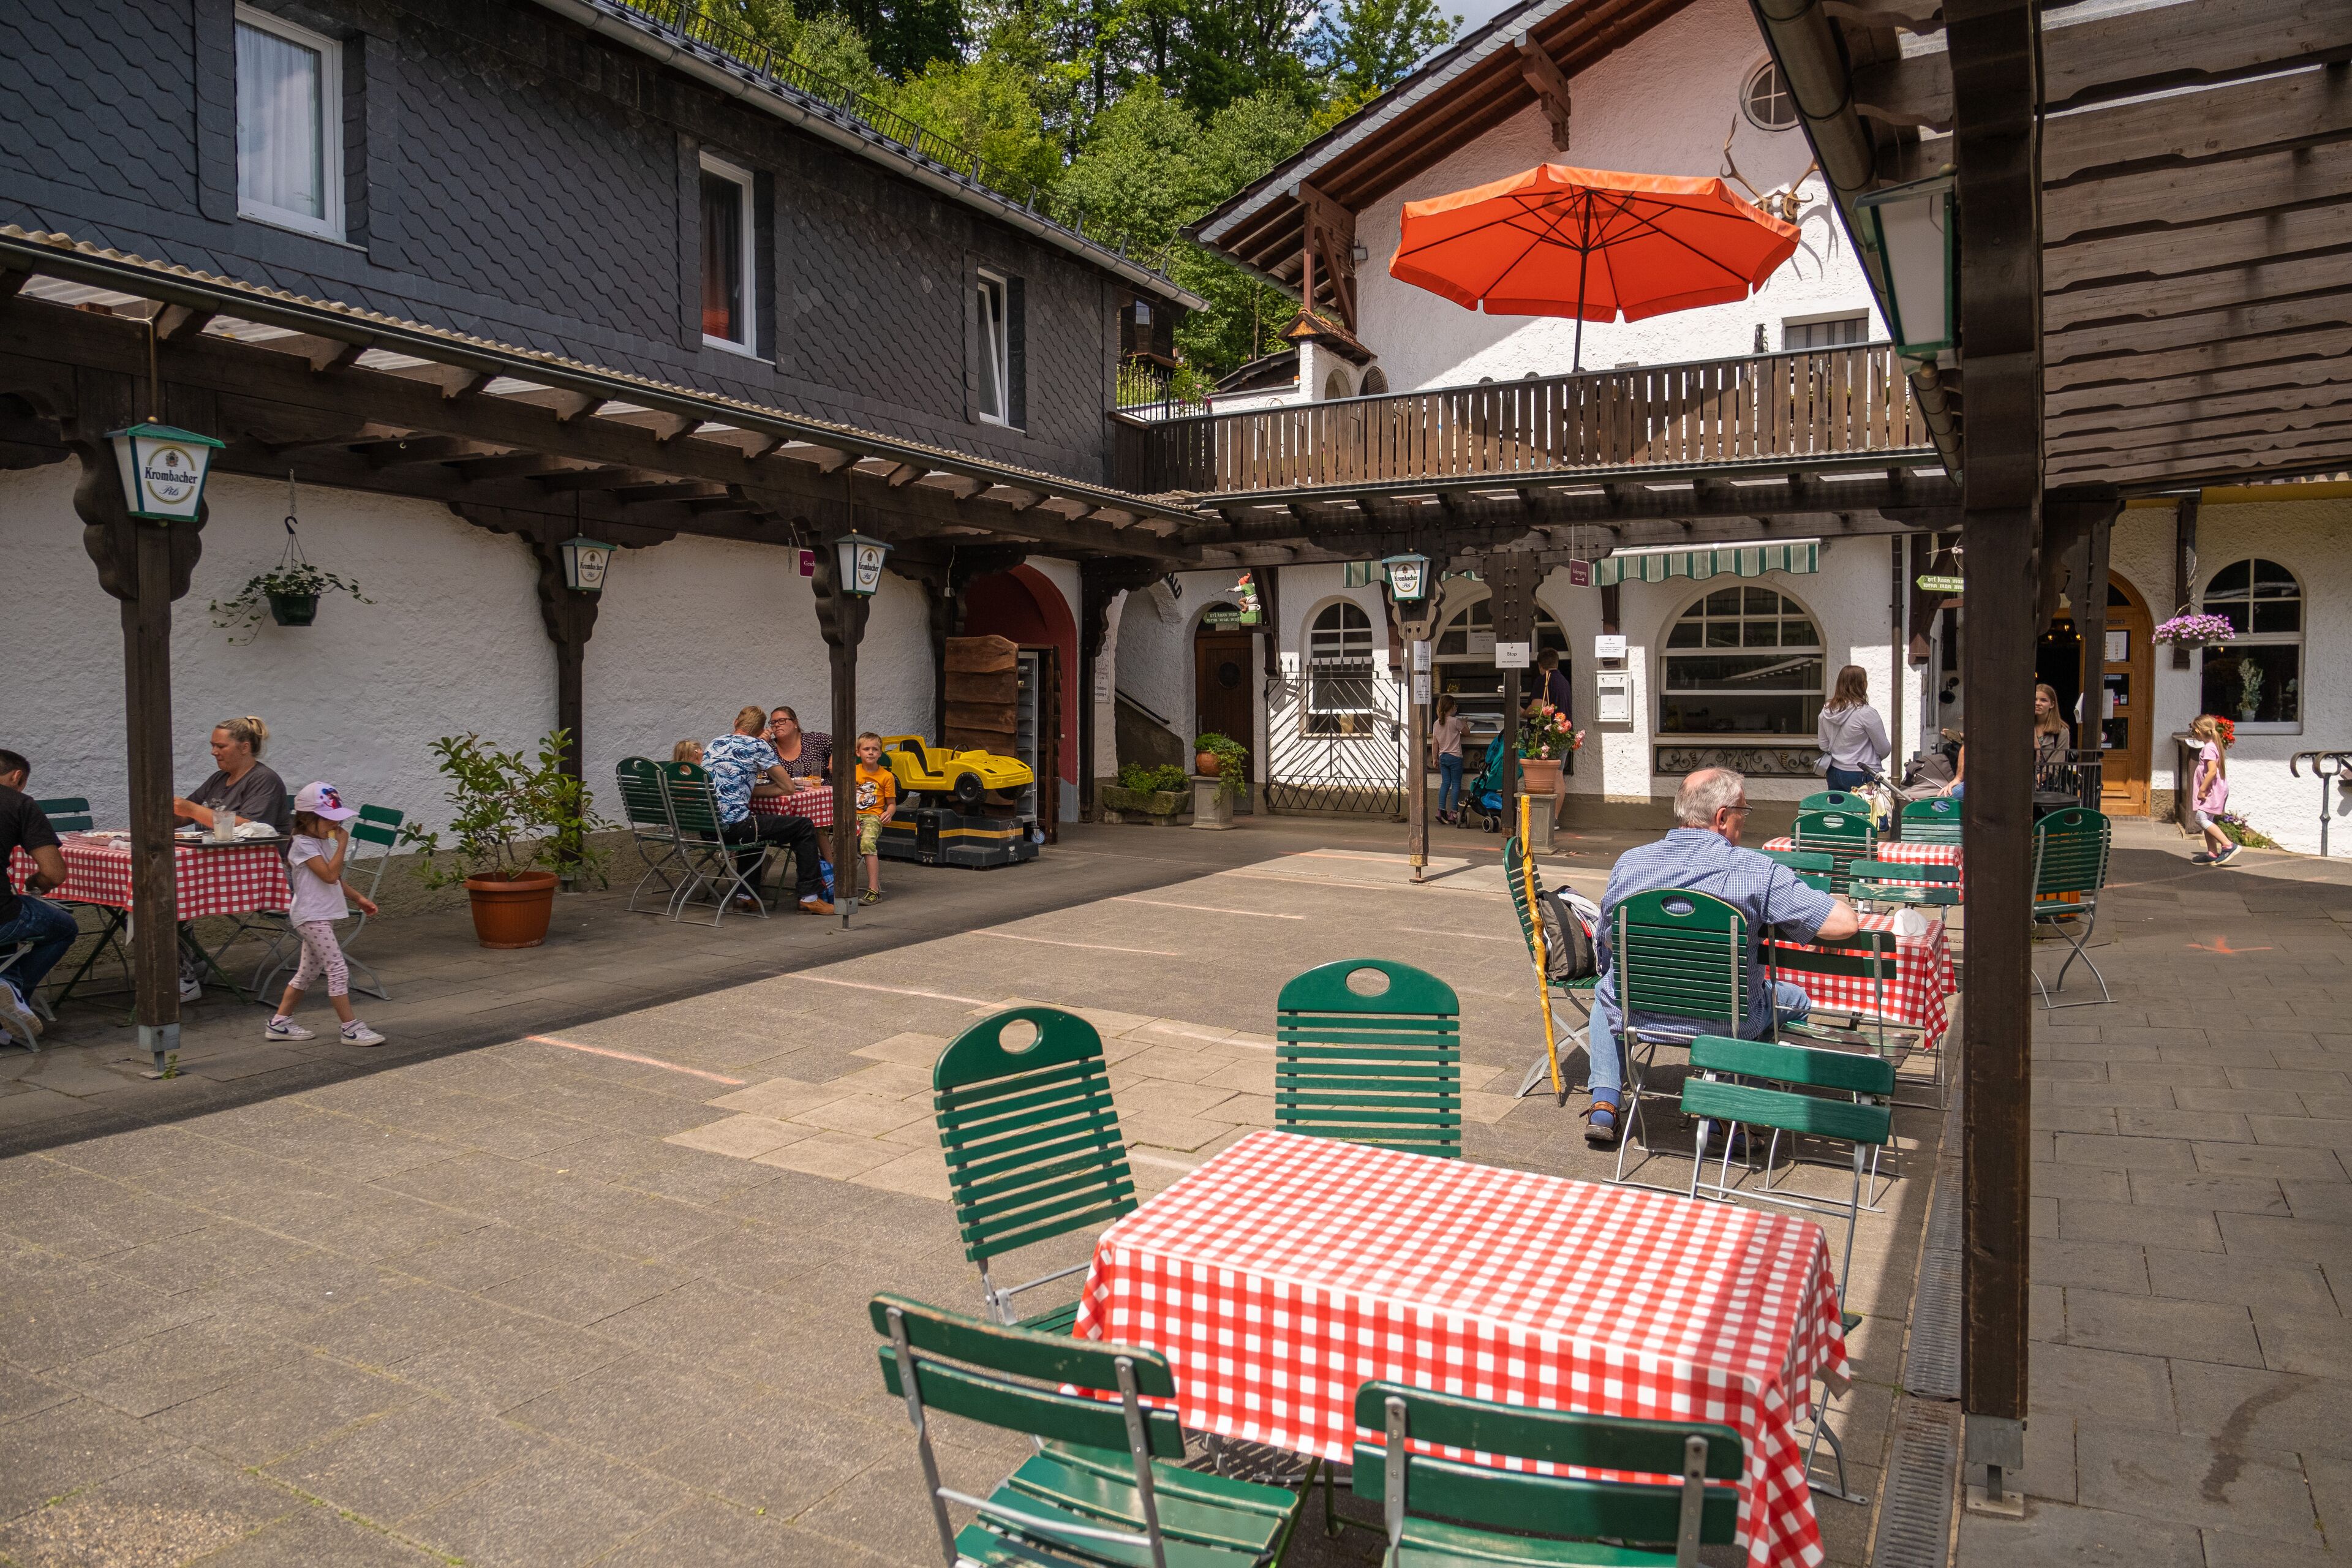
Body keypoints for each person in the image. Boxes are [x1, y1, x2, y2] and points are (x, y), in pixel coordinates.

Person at [1582, 767, 1860, 1148]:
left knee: (1607, 990)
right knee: (1794, 999)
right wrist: (1842, 902)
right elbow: (1842, 926)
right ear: (1722, 817)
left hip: (1642, 1011)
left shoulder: (1630, 863)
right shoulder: (1757, 872)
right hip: (1727, 1018)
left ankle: (1605, 1103)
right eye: (1743, 812)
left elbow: (1606, 940)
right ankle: (1724, 1113)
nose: (1744, 821)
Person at [168, 716, 292, 1000]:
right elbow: (182, 815)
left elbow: (253, 828)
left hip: (264, 876)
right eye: (212, 746)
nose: (214, 752)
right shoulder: (218, 779)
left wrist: (193, 810)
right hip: (217, 869)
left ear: (245, 747)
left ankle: (183, 977)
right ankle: (191, 962)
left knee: (163, 897)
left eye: (220, 746)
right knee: (156, 893)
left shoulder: (265, 780)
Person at [263, 783, 385, 1046]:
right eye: (330, 819)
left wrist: (359, 898)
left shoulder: (318, 841)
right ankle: (350, 1028)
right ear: (308, 818)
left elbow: (334, 878)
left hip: (319, 914)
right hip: (311, 916)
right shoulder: (302, 845)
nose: (335, 824)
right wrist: (343, 845)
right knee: (338, 969)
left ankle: (280, 1023)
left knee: (307, 973)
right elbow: (329, 875)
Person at [705, 706, 833, 915]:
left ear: (736, 722)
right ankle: (809, 897)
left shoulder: (715, 743)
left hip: (709, 827)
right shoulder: (758, 745)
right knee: (804, 826)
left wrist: (745, 789)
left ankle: (746, 896)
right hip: (736, 828)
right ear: (760, 731)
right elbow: (788, 787)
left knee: (754, 825)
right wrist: (753, 791)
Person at [0, 750, 73, 1046]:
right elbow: (54, 874)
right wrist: (35, 884)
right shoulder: (18, 803)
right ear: (17, 777)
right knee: (63, 926)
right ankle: (12, 990)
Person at [1816, 665, 1891, 793]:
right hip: (1862, 772)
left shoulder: (1826, 711)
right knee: (1869, 812)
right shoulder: (1866, 713)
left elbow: (1824, 746)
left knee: (1839, 812)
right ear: (1863, 685)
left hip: (1834, 771)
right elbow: (1884, 749)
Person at [1522, 649, 1574, 815]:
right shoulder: (1565, 682)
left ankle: (1540, 817)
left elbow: (1537, 708)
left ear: (1540, 665)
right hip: (1564, 734)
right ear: (1556, 662)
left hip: (1547, 735)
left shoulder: (1543, 680)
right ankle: (1555, 819)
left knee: (1541, 777)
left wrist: (1522, 712)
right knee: (1558, 776)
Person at [851, 731, 898, 905]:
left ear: (880, 754)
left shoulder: (886, 776)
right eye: (866, 749)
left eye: (875, 749)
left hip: (872, 816)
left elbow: (892, 803)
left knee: (867, 843)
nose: (870, 752)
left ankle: (874, 890)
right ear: (858, 753)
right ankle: (834, 884)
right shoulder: (852, 771)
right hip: (851, 814)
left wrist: (889, 813)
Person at [2188, 715, 2237, 866]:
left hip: (2211, 791)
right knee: (2207, 820)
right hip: (2214, 790)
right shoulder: (2212, 746)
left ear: (2197, 731)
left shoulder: (2209, 748)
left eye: (2193, 731)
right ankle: (2212, 853)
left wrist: (2202, 789)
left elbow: (2212, 772)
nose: (2193, 734)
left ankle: (2228, 846)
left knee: (2201, 819)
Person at [766, 707, 832, 787]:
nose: (776, 725)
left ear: (795, 723)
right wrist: (758, 742)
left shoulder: (816, 740)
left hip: (821, 796)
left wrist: (835, 755)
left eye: (782, 721)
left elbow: (847, 744)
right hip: (781, 798)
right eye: (773, 723)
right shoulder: (768, 747)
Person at [1431, 695, 1466, 827]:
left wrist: (1435, 758)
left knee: (1445, 783)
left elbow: (1435, 743)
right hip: (1455, 756)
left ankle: (1441, 810)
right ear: (1452, 707)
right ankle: (1454, 813)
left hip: (1443, 756)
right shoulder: (1455, 721)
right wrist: (1465, 723)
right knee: (1456, 784)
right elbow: (1467, 733)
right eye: (1456, 706)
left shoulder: (1436, 723)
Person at [2032, 684, 2071, 790]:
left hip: (2050, 786)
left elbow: (2056, 764)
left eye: (2043, 700)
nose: (2038, 703)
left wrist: (2037, 779)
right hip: (2024, 784)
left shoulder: (2062, 731)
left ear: (2052, 704)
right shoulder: (2022, 727)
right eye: (2034, 699)